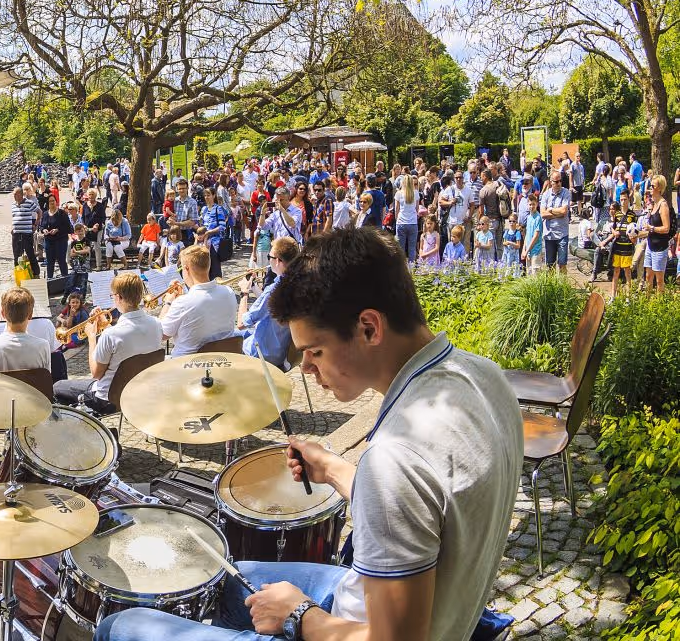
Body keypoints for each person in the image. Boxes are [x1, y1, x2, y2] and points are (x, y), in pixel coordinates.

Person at [96, 226, 524, 641]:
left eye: (314, 350)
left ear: (369, 328)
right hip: (414, 608)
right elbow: (423, 513)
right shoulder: (486, 378)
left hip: (362, 628)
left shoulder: (396, 459)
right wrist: (336, 469)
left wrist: (298, 615)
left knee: (120, 627)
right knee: (226, 579)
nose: (306, 367)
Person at [52, 272, 162, 414]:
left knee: (58, 387)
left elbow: (96, 373)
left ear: (119, 297)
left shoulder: (112, 335)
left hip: (108, 398)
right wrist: (105, 327)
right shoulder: (156, 324)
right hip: (140, 392)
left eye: (112, 296)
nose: (113, 300)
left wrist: (92, 337)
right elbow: (127, 340)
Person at [159, 245, 238, 357]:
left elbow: (161, 334)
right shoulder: (229, 292)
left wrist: (168, 302)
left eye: (180, 268)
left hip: (187, 365)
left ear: (186, 269)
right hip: (223, 359)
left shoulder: (183, 302)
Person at [239, 236, 297, 369]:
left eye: (269, 257)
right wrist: (252, 285)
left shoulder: (274, 290)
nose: (268, 261)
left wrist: (244, 293)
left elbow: (242, 323)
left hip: (261, 354)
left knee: (226, 338)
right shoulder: (297, 283)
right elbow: (269, 305)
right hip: (280, 351)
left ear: (277, 261)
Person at [641, 175, 672, 293]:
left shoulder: (663, 205)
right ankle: (648, 304)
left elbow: (666, 228)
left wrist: (652, 228)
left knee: (659, 281)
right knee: (648, 277)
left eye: (652, 186)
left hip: (660, 247)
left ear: (659, 188)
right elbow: (648, 228)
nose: (650, 188)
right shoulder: (653, 204)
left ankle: (660, 305)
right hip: (650, 245)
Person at [540, 172, 573, 271]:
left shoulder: (566, 192)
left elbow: (564, 211)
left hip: (562, 234)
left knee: (562, 264)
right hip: (549, 234)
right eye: (556, 181)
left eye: (560, 181)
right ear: (551, 182)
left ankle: (563, 285)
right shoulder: (545, 195)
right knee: (550, 265)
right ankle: (551, 286)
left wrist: (550, 210)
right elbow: (543, 214)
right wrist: (557, 213)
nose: (559, 183)